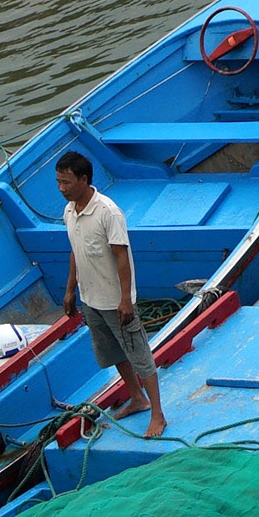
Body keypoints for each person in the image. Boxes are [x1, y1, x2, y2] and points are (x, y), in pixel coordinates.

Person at [56, 150, 164, 438]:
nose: (62, 188)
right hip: (90, 299)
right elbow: (75, 251)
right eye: (58, 182)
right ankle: (136, 398)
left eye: (66, 182)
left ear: (84, 179)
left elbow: (121, 255)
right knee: (113, 352)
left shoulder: (108, 212)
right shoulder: (69, 211)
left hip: (115, 301)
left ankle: (158, 413)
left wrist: (126, 299)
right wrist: (70, 290)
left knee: (139, 355)